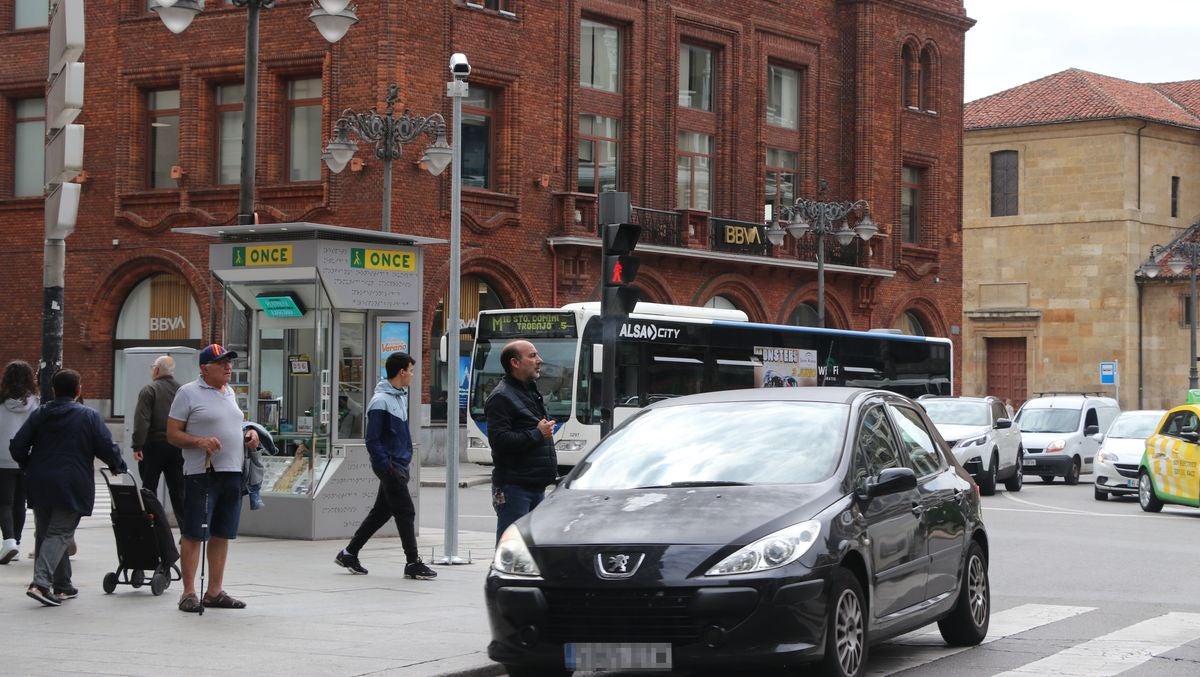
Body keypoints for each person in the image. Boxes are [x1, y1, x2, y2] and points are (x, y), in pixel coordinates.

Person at [9, 369, 125, 606]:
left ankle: (62, 584)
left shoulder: (41, 413)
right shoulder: (88, 416)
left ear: (54, 390)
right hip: (72, 482)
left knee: (47, 533)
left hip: (40, 481)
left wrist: (29, 464)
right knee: (59, 533)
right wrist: (117, 465)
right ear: (78, 390)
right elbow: (106, 445)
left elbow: (18, 445)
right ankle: (41, 584)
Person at [166, 344, 258, 613]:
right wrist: (199, 441)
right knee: (194, 533)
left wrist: (249, 433)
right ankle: (188, 592)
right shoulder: (187, 393)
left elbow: (231, 423)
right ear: (204, 368)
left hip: (232, 471)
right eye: (221, 363)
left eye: (229, 362)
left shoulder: (229, 392)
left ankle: (214, 591)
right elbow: (172, 434)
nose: (228, 367)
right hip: (202, 473)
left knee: (222, 533)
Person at [334, 352, 436, 580]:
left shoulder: (398, 397)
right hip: (390, 467)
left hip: (397, 464)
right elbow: (372, 439)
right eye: (411, 371)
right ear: (401, 372)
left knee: (381, 512)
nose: (412, 375)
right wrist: (386, 466)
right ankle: (413, 562)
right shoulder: (380, 401)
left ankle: (349, 553)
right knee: (406, 511)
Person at [485, 340, 558, 543]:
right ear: (515, 363)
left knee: (531, 546)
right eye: (532, 356)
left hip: (534, 485)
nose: (539, 360)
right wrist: (538, 433)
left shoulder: (529, 391)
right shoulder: (501, 397)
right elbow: (499, 441)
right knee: (512, 545)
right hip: (514, 487)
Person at [131, 355, 186, 521]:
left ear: (156, 370)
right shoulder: (182, 390)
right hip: (177, 446)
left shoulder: (149, 390)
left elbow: (142, 420)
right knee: (178, 490)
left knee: (149, 489)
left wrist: (137, 445)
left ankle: (154, 525)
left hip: (153, 446)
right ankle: (186, 528)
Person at [0, 360, 38, 564]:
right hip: (26, 458)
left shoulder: (1, 401)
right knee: (19, 503)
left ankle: (9, 541)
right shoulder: (35, 403)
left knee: (4, 502)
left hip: (2, 458)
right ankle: (17, 541)